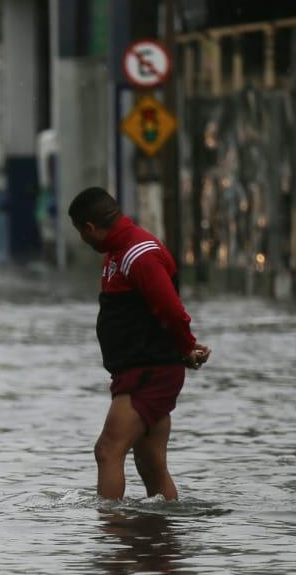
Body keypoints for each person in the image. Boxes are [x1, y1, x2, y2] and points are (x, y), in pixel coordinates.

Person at [68, 187, 210, 501]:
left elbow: (170, 309)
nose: (83, 239)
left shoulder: (139, 254)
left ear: (90, 227)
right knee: (150, 464)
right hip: (141, 369)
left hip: (148, 372)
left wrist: (186, 346)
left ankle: (111, 526)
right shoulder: (116, 254)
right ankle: (161, 527)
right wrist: (182, 348)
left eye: (81, 232)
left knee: (107, 450)